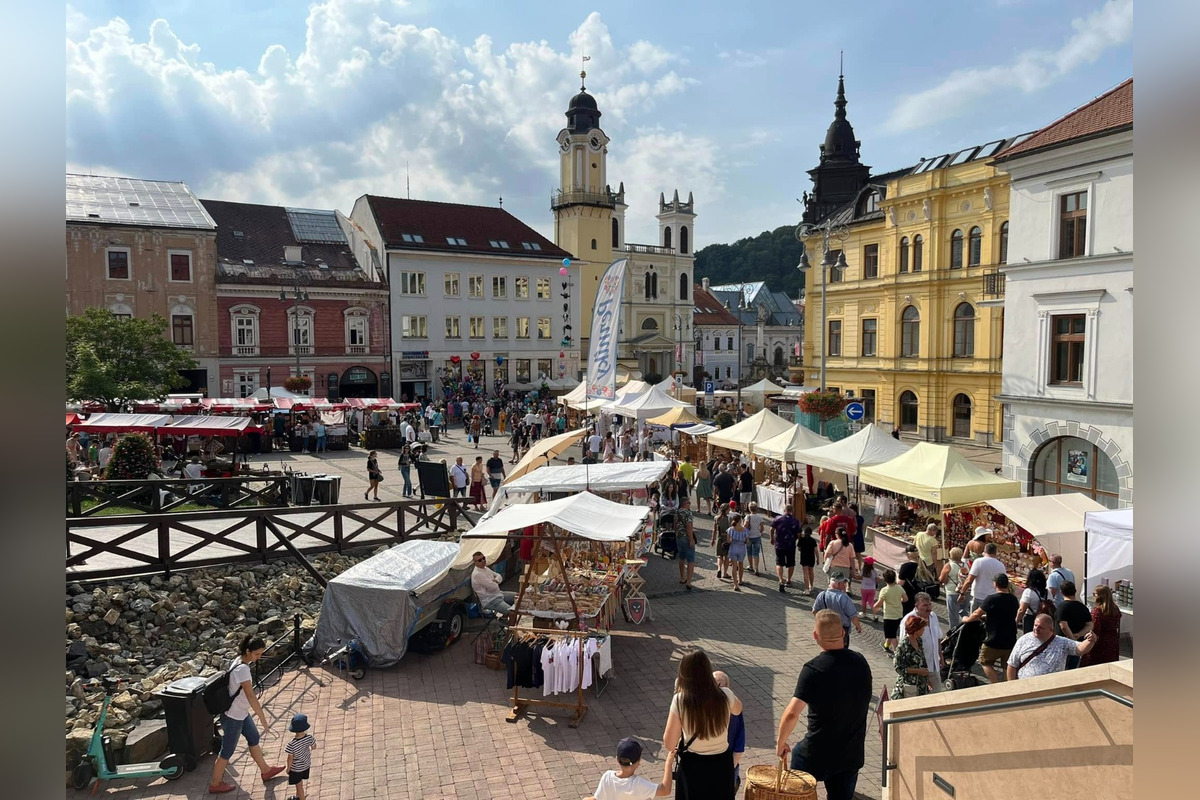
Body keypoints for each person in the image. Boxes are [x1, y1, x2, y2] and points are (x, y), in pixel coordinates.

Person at [775, 610, 872, 800]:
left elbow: (792, 714)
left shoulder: (813, 670)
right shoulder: (861, 662)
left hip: (817, 753)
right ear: (843, 633)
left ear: (815, 636)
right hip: (850, 754)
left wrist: (780, 743)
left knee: (797, 776)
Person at [208, 634, 286, 793]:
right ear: (248, 651)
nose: (259, 657)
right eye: (257, 654)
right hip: (234, 716)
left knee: (253, 738)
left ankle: (265, 771)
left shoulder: (238, 661)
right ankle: (215, 784)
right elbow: (251, 696)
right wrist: (263, 719)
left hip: (240, 713)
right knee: (227, 751)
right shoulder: (243, 669)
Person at [661, 650, 741, 800]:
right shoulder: (725, 694)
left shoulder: (680, 700)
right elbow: (738, 709)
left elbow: (669, 743)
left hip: (694, 767)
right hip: (721, 765)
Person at [964, 572, 1019, 683]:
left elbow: (976, 614)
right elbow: (1005, 613)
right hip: (1010, 638)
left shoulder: (992, 599)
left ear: (995, 584)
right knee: (1007, 666)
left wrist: (966, 619)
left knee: (985, 662)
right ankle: (1007, 686)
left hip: (993, 639)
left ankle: (995, 684)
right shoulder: (1013, 599)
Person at [1007, 613, 1098, 680]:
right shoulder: (1024, 639)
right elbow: (1012, 665)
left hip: (1052, 689)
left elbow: (1080, 649)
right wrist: (1012, 686)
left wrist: (1090, 641)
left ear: (1051, 629)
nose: (1036, 629)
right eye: (1035, 625)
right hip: (1026, 688)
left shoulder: (1061, 642)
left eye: (1040, 627)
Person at [584, 737, 675, 800]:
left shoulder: (607, 776)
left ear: (617, 759)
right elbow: (665, 790)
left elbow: (597, 798)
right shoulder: (639, 784)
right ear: (638, 762)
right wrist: (668, 764)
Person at [900, 592, 943, 692]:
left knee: (937, 696)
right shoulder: (909, 620)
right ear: (916, 606)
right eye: (924, 605)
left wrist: (940, 656)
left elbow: (938, 638)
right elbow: (904, 646)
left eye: (929, 605)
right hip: (918, 670)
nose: (928, 608)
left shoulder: (933, 616)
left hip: (934, 666)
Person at [712, 672, 745, 793]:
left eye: (718, 686)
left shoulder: (735, 713)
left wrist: (725, 772)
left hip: (726, 768)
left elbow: (738, 748)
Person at [813, 571, 863, 648]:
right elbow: (853, 616)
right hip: (841, 630)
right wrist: (858, 626)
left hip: (825, 628)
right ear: (839, 584)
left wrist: (820, 623)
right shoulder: (844, 598)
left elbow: (815, 611)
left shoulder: (822, 595)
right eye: (844, 583)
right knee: (842, 653)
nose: (844, 585)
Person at [957, 542, 1007, 613]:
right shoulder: (1001, 565)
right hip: (993, 597)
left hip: (979, 596)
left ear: (985, 551)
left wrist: (962, 593)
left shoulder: (978, 562)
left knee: (975, 621)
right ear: (995, 552)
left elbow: (969, 580)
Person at [892, 615, 934, 697]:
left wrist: (928, 679)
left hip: (921, 685)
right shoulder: (904, 645)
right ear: (915, 629)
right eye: (922, 628)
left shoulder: (919, 640)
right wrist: (918, 671)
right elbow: (898, 667)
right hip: (908, 686)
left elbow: (923, 661)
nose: (924, 630)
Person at [1081, 584, 1122, 667]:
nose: (1093, 596)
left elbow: (1095, 629)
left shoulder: (1097, 611)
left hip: (1100, 642)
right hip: (1112, 640)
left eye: (1094, 594)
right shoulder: (1115, 609)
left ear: (1100, 596)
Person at [1056, 581, 1093, 669]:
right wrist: (1079, 634)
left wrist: (1072, 638)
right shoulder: (1083, 607)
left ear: (1061, 592)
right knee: (1072, 667)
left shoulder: (1062, 607)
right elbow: (1090, 625)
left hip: (1063, 642)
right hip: (1078, 643)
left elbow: (1063, 626)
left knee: (1061, 667)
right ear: (1075, 591)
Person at [284, 713, 317, 800]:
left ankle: (301, 798)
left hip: (296, 769)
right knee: (300, 783)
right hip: (306, 765)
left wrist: (288, 768)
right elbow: (314, 747)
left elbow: (290, 758)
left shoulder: (292, 744)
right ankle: (298, 797)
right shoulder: (309, 738)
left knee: (299, 786)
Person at [770, 508, 801, 592]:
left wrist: (772, 538)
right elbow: (798, 534)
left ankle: (780, 580)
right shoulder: (796, 521)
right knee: (791, 563)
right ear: (792, 511)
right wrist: (799, 544)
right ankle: (788, 580)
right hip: (790, 545)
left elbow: (771, 529)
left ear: (785, 510)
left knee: (779, 563)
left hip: (779, 545)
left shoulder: (777, 519)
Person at [874, 569, 905, 654]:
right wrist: (898, 600)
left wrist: (874, 608)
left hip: (889, 615)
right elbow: (905, 599)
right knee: (892, 631)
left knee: (892, 635)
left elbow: (879, 603)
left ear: (885, 579)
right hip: (899, 614)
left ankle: (896, 653)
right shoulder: (899, 588)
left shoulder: (884, 590)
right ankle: (886, 645)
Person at [939, 547, 968, 630]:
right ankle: (967, 625)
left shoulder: (948, 565)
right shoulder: (965, 565)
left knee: (953, 615)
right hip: (964, 591)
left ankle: (954, 632)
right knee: (963, 610)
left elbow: (942, 579)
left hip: (952, 592)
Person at [1016, 568, 1049, 634]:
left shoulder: (1029, 592)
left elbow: (1022, 610)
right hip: (1045, 618)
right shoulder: (1047, 592)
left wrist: (1016, 621)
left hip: (1031, 618)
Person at [675, 497, 697, 591]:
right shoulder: (688, 513)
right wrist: (691, 539)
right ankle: (688, 582)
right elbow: (689, 526)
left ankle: (682, 577)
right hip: (687, 538)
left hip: (679, 537)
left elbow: (675, 524)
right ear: (685, 504)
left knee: (681, 558)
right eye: (689, 503)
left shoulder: (677, 512)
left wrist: (677, 534)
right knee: (691, 560)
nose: (690, 504)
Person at [726, 513, 749, 592]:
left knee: (734, 567)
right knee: (741, 565)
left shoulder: (730, 529)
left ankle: (735, 584)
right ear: (740, 520)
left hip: (733, 548)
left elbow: (728, 541)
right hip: (742, 548)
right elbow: (747, 541)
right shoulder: (745, 530)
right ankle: (740, 580)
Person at [898, 545, 921, 616]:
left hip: (908, 594)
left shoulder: (905, 566)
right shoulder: (922, 564)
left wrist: (897, 574)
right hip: (920, 593)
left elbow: (900, 583)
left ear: (908, 554)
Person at [744, 501, 766, 577]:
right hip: (757, 536)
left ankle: (751, 566)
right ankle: (756, 568)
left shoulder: (748, 517)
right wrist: (760, 532)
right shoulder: (760, 517)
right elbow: (762, 527)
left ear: (750, 508)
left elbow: (745, 526)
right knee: (756, 553)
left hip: (749, 536)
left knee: (749, 551)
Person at [712, 503, 732, 580]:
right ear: (726, 510)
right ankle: (725, 573)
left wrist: (713, 539)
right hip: (727, 538)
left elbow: (714, 530)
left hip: (719, 538)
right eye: (728, 509)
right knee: (726, 557)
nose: (729, 510)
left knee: (719, 556)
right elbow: (731, 531)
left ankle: (719, 569)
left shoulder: (716, 518)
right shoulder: (729, 519)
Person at [797, 525, 818, 593]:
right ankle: (811, 586)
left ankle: (806, 589)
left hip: (804, 557)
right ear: (811, 533)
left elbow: (799, 548)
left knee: (805, 573)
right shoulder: (813, 540)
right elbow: (816, 550)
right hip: (811, 557)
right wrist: (818, 558)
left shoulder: (801, 540)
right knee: (811, 571)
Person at [859, 557, 878, 622]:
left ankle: (864, 613)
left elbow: (860, 577)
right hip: (872, 589)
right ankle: (875, 615)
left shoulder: (863, 570)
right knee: (871, 602)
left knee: (864, 601)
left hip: (864, 588)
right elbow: (877, 579)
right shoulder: (875, 571)